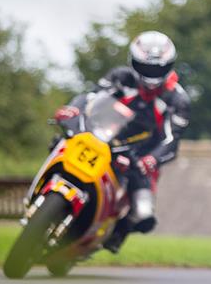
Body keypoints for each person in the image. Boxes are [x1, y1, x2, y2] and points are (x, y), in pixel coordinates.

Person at [54, 31, 191, 252]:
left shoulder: (178, 99)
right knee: (62, 140)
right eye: (146, 67)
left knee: (143, 212)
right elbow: (90, 97)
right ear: (133, 62)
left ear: (169, 66)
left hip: (140, 155)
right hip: (102, 136)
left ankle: (116, 234)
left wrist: (151, 160)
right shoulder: (120, 76)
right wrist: (74, 110)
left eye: (157, 69)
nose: (151, 75)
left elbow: (172, 140)